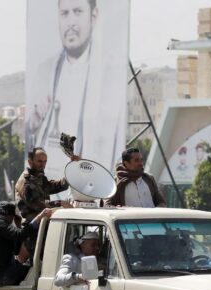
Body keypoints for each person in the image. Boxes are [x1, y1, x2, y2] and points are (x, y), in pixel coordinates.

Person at [26, 0, 125, 178]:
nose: (70, 22)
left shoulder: (110, 73)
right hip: (48, 184)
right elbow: (29, 135)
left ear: (93, 16)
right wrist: (32, 125)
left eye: (78, 12)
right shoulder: (45, 71)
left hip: (90, 183)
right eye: (64, 14)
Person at [0, 202, 53, 286]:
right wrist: (39, 217)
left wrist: (18, 226)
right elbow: (20, 235)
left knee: (27, 269)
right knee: (35, 272)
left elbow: (16, 250)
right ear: (10, 216)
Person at [15, 147, 76, 222]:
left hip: (42, 221)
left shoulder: (39, 177)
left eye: (45, 161)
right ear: (30, 162)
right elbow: (38, 205)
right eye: (39, 161)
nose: (43, 165)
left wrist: (73, 167)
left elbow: (57, 186)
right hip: (32, 226)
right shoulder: (26, 182)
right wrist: (60, 203)